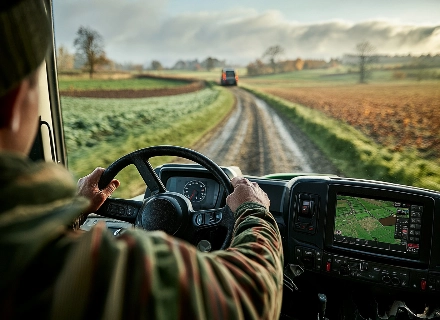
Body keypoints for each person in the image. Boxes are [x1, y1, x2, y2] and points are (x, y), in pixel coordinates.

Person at [0, 1, 283, 319]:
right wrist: (253, 211)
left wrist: (72, 210)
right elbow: (250, 296)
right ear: (13, 104)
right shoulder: (99, 274)